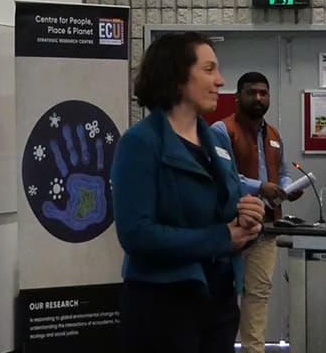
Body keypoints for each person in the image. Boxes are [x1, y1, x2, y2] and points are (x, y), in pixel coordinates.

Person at [111, 32, 265, 353]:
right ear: (178, 77)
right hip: (163, 306)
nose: (220, 80)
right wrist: (222, 237)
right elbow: (136, 235)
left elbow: (226, 210)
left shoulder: (217, 141)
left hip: (219, 300)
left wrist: (247, 217)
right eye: (209, 70)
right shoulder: (140, 143)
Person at [223, 72, 301, 352]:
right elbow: (225, 176)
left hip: (266, 227)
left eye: (263, 93)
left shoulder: (274, 135)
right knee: (222, 294)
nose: (258, 98)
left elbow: (281, 173)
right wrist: (261, 187)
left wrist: (287, 187)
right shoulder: (222, 130)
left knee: (258, 294)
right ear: (238, 96)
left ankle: (253, 350)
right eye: (251, 92)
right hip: (230, 225)